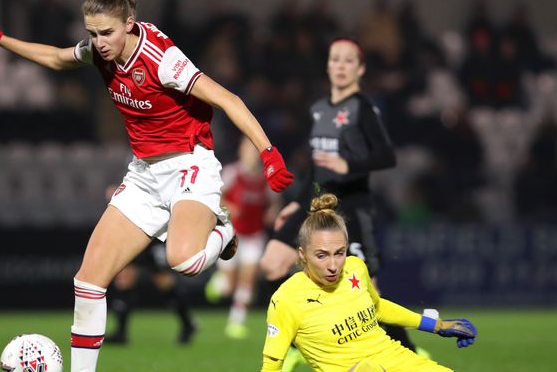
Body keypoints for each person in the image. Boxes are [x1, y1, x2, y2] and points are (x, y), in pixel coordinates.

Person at [0, 0, 294, 372]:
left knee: (184, 262)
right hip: (144, 174)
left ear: (129, 23)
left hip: (190, 163)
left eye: (106, 32)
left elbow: (227, 98)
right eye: (92, 33)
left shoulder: (162, 59)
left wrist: (268, 152)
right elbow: (55, 58)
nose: (99, 42)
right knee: (88, 281)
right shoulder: (101, 52)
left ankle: (224, 231)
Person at [259, 37, 420, 357]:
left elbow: (387, 156)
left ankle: (408, 351)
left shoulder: (363, 109)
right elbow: (318, 167)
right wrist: (296, 201)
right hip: (314, 203)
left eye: (348, 61)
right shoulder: (320, 109)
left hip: (351, 210)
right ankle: (301, 340)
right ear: (328, 66)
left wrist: (349, 164)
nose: (341, 66)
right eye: (335, 59)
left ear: (359, 69)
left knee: (370, 291)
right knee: (271, 264)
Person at [261, 193, 477, 372]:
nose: (333, 264)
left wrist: (437, 326)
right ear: (302, 254)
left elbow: (378, 308)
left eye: (339, 252)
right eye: (322, 255)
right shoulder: (286, 299)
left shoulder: (355, 267)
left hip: (396, 359)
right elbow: (271, 366)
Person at [205, 136, 280, 339]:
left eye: (255, 151)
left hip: (254, 236)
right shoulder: (232, 173)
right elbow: (214, 196)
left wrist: (272, 212)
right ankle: (219, 282)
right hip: (231, 233)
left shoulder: (265, 178)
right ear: (241, 151)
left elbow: (274, 201)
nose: (251, 155)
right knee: (229, 287)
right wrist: (230, 206)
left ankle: (235, 323)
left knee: (247, 281)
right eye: (248, 150)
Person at [105, 241, 197, 346]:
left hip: (153, 237)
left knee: (164, 282)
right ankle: (121, 332)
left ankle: (187, 323)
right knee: (124, 279)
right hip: (133, 234)